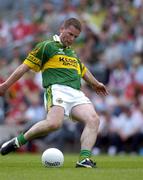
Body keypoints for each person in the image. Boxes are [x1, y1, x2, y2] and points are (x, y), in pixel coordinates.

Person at [0, 18, 108, 168]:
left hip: (76, 93)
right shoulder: (46, 46)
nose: (71, 39)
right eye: (70, 34)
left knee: (94, 119)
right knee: (54, 124)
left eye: (75, 37)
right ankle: (18, 141)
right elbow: (23, 67)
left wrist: (96, 83)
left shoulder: (72, 53)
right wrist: (5, 85)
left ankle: (84, 159)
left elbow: (83, 70)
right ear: (61, 28)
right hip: (57, 89)